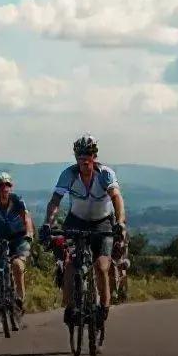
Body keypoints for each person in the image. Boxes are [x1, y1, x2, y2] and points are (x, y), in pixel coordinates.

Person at [40, 134, 127, 327]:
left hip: (102, 222)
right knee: (71, 263)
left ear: (94, 156)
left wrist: (119, 222)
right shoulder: (69, 174)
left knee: (101, 266)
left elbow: (116, 198)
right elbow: (55, 201)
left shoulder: (105, 174)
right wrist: (48, 222)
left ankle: (103, 308)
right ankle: (70, 306)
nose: (83, 160)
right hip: (76, 221)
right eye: (80, 157)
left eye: (87, 156)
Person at [0, 171, 34, 307]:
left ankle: (20, 298)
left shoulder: (17, 200)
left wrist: (29, 233)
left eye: (7, 185)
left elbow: (26, 217)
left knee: (17, 265)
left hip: (18, 239)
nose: (4, 188)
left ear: (11, 186)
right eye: (0, 185)